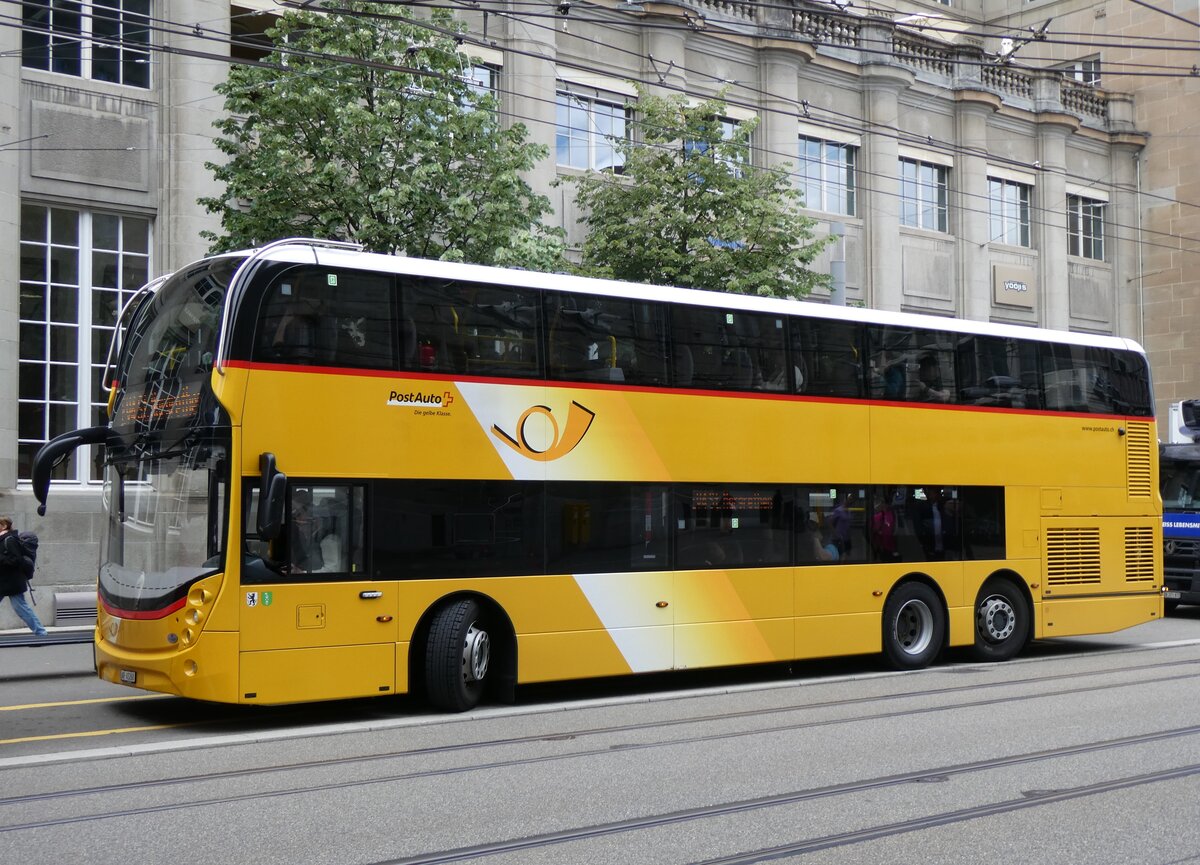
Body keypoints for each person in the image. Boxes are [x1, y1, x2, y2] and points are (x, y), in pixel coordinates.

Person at [0, 516, 49, 636]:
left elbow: (16, 560)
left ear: (4, 526)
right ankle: (41, 632)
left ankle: (41, 633)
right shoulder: (3, 539)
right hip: (3, 581)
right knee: (21, 608)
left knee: (21, 608)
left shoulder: (10, 539)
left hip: (12, 582)